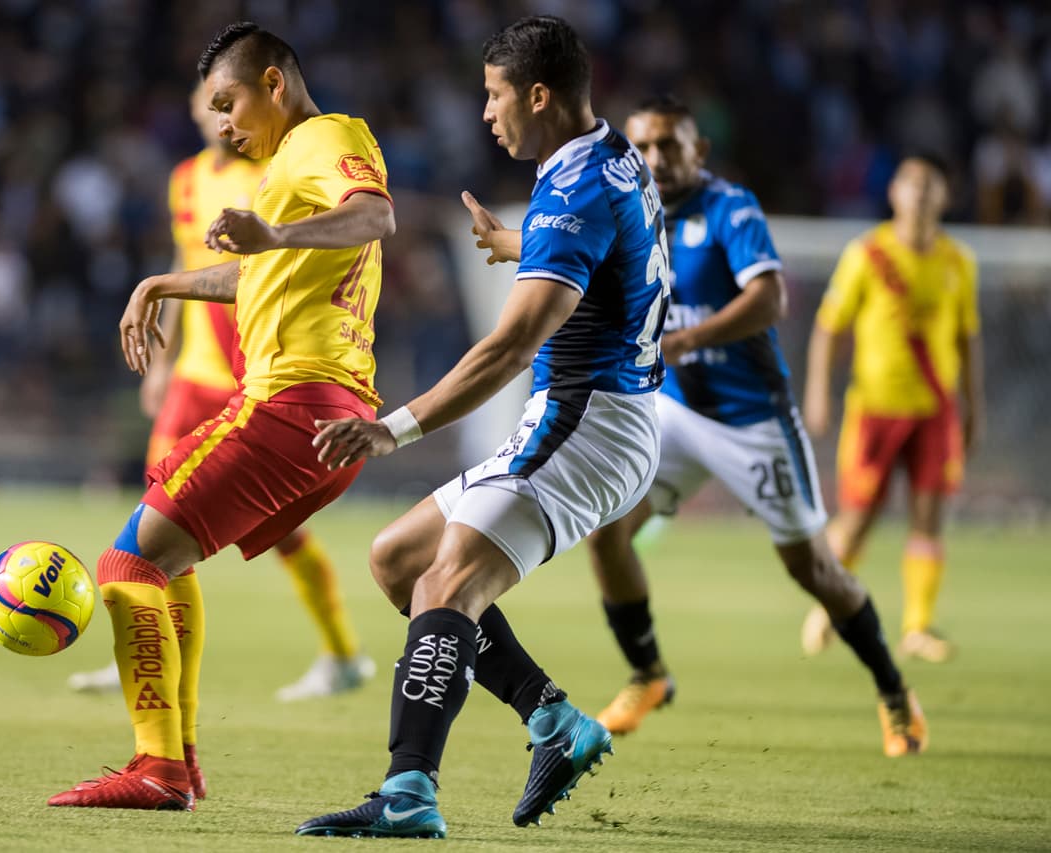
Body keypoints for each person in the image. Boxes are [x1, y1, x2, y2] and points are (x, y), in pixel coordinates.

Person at [297, 16, 669, 838]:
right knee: (399, 561)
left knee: (449, 585)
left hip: (588, 421)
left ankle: (406, 793)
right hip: (593, 413)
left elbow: (506, 350)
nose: (487, 112)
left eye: (496, 95)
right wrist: (515, 242)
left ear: (539, 94)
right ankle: (555, 721)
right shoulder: (597, 157)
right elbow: (607, 257)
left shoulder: (574, 190)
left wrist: (392, 428)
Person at [46, 21, 395, 811]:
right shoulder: (283, 170)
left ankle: (157, 767)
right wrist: (161, 286)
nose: (225, 124)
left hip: (293, 401)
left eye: (230, 103)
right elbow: (258, 280)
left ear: (275, 83)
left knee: (126, 564)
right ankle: (181, 759)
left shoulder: (323, 138)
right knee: (165, 562)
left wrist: (271, 231)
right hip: (314, 408)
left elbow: (376, 217)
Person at [579, 97, 928, 760]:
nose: (656, 159)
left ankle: (893, 689)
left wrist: (686, 340)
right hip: (677, 415)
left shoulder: (729, 207)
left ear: (698, 151)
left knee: (814, 569)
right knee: (607, 531)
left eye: (670, 146)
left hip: (753, 419)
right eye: (645, 146)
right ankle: (649, 674)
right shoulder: (629, 207)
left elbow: (771, 297)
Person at [66, 84, 375, 705]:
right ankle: (147, 655)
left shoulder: (283, 169)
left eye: (226, 105)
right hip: (196, 377)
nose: (220, 120)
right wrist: (165, 363)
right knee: (157, 524)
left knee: (267, 535)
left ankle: (341, 651)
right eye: (208, 108)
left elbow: (295, 258)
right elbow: (189, 261)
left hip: (264, 379)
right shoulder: (184, 181)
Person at [801, 153, 984, 664]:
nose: (922, 193)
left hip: (935, 411)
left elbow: (968, 341)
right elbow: (829, 327)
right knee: (857, 520)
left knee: (929, 518)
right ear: (895, 193)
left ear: (945, 197)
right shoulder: (868, 254)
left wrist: (975, 405)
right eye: (912, 183)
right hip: (875, 410)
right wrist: (818, 391)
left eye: (932, 185)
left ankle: (918, 626)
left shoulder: (958, 262)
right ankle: (828, 605)